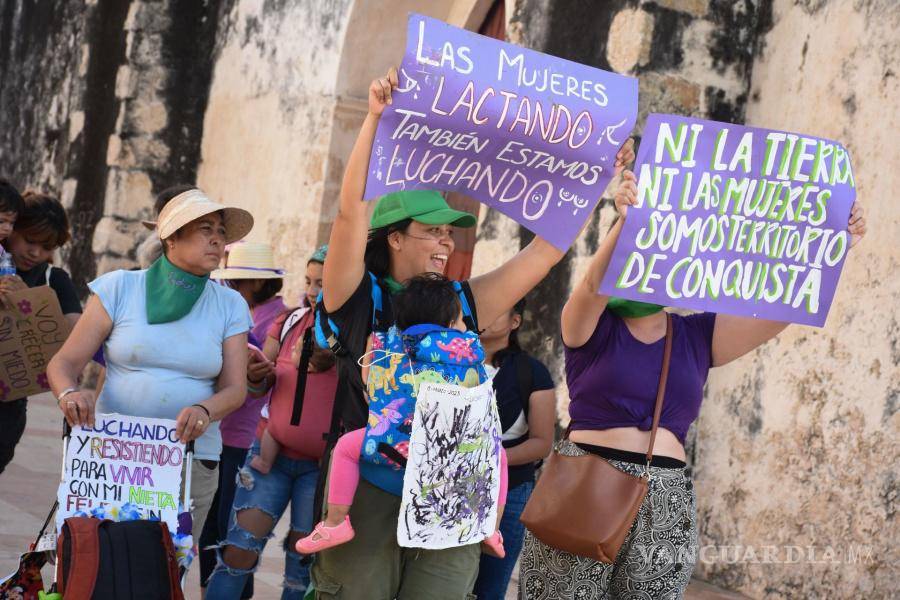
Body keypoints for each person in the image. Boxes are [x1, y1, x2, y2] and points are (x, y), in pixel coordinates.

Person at [310, 67, 634, 600]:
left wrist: (599, 180)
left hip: (454, 487)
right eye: (431, 231)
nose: (445, 242)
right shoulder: (355, 297)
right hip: (368, 483)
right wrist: (374, 119)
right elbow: (350, 215)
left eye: (448, 231)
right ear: (393, 237)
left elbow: (545, 252)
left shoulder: (461, 300)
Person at [517, 171, 868, 598]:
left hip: (665, 496)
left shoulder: (697, 335)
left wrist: (834, 247)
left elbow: (784, 307)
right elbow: (592, 285)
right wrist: (628, 222)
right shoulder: (588, 327)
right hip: (586, 483)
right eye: (634, 250)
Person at [46, 185, 254, 552]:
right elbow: (64, 363)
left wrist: (206, 410)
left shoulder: (230, 304)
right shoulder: (120, 288)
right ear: (172, 238)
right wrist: (68, 392)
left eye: (221, 233)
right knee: (102, 560)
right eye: (206, 229)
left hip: (190, 459)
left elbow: (235, 388)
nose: (218, 241)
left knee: (166, 569)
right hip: (113, 455)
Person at [296, 274, 508, 556]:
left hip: (395, 442)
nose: (461, 326)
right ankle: (490, 528)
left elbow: (370, 387)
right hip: (455, 450)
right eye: (458, 320)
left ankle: (335, 523)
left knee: (345, 449)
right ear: (448, 322)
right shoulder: (469, 348)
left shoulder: (389, 344)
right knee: (498, 458)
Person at [206, 245, 339, 599]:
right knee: (236, 554)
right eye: (310, 281)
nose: (313, 290)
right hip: (270, 460)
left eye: (323, 283)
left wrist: (337, 357)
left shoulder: (363, 335)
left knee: (301, 569)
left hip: (322, 468)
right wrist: (255, 374)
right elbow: (259, 386)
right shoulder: (289, 321)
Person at [198, 241, 288, 597]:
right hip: (217, 429)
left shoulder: (276, 319)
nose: (231, 288)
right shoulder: (236, 309)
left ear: (260, 282)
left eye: (239, 281)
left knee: (232, 530)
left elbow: (270, 380)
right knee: (207, 525)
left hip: (245, 436)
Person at [472, 298, 556, 600]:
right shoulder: (450, 361)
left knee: (490, 586)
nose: (486, 315)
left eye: (496, 310)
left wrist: (487, 460)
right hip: (449, 486)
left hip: (510, 491)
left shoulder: (532, 372)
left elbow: (542, 443)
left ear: (515, 322)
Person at [0, 189, 81, 475]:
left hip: (7, 406)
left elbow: (75, 336)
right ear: (10, 228)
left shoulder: (54, 280)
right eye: (30, 241)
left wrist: (29, 303)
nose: (36, 253)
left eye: (47, 248)